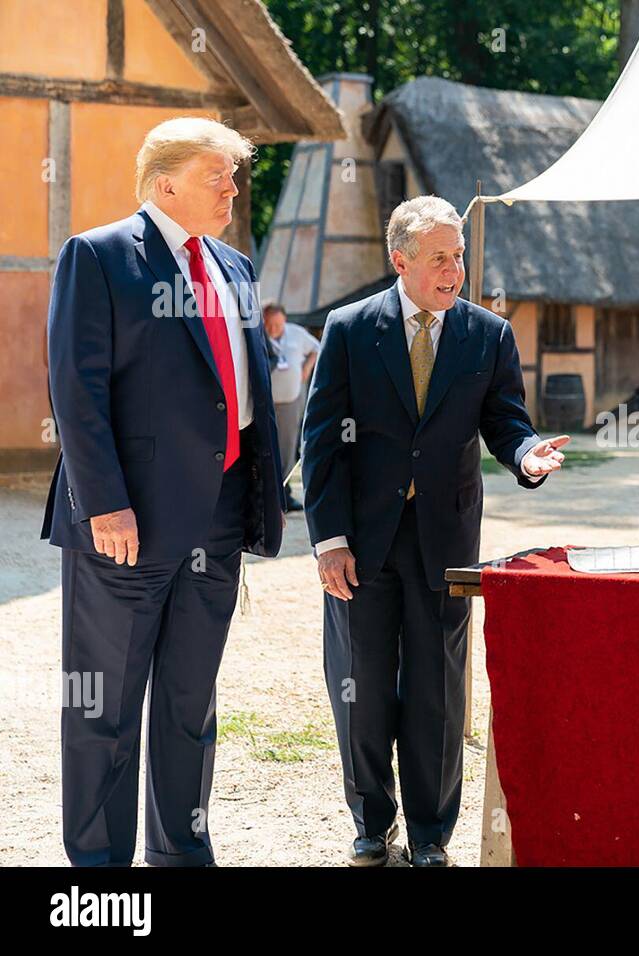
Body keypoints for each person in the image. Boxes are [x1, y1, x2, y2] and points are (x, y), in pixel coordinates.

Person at [44, 117, 284, 866]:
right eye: (220, 176)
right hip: (128, 521)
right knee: (105, 709)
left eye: (235, 176)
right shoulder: (99, 255)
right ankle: (99, 871)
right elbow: (75, 392)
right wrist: (104, 502)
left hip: (218, 518)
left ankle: (181, 853)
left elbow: (241, 387)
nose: (233, 190)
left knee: (189, 704)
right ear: (165, 181)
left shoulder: (236, 268)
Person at [302, 195, 567, 867]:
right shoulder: (350, 329)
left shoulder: (488, 334)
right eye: (441, 258)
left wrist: (526, 454)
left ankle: (428, 834)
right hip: (362, 543)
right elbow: (322, 440)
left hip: (444, 544)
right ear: (402, 260)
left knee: (437, 693)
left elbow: (507, 420)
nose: (455, 271)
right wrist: (329, 539)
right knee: (360, 685)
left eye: (460, 256)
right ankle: (370, 824)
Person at [263, 301, 320, 510]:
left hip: (290, 402)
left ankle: (285, 494)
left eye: (278, 325)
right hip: (265, 403)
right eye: (270, 325)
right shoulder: (259, 335)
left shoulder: (296, 333)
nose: (274, 330)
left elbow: (317, 348)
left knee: (287, 450)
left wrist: (306, 369)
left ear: (284, 321)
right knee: (266, 449)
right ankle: (266, 496)